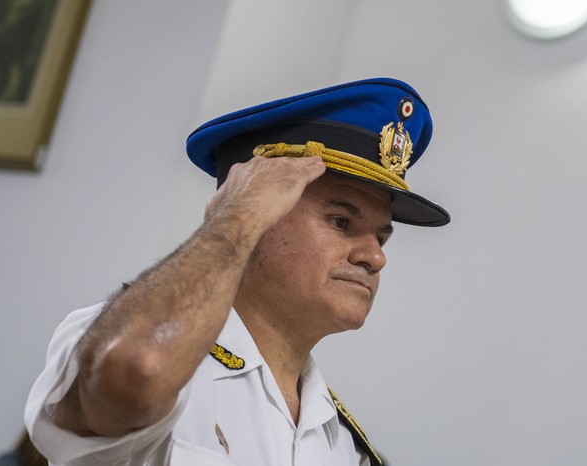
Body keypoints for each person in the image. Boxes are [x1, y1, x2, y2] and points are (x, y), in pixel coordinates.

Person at [24, 77, 450, 465]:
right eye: (341, 221)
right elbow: (141, 368)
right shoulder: (120, 341)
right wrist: (234, 218)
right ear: (257, 214)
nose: (375, 257)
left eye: (382, 237)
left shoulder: (344, 445)